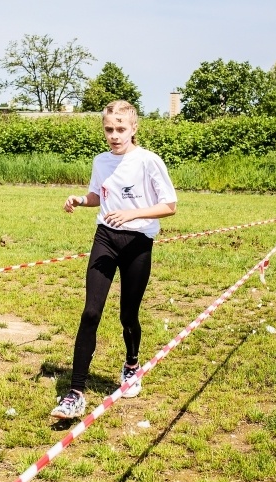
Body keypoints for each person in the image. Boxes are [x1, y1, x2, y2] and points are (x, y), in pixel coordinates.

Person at [51, 100, 178, 419]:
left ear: (134, 128)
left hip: (138, 241)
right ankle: (75, 393)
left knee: (128, 315)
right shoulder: (101, 161)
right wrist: (81, 200)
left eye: (121, 129)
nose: (114, 135)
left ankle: (132, 364)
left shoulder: (149, 161)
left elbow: (170, 205)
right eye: (109, 129)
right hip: (106, 236)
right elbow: (99, 196)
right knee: (91, 312)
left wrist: (132, 214)